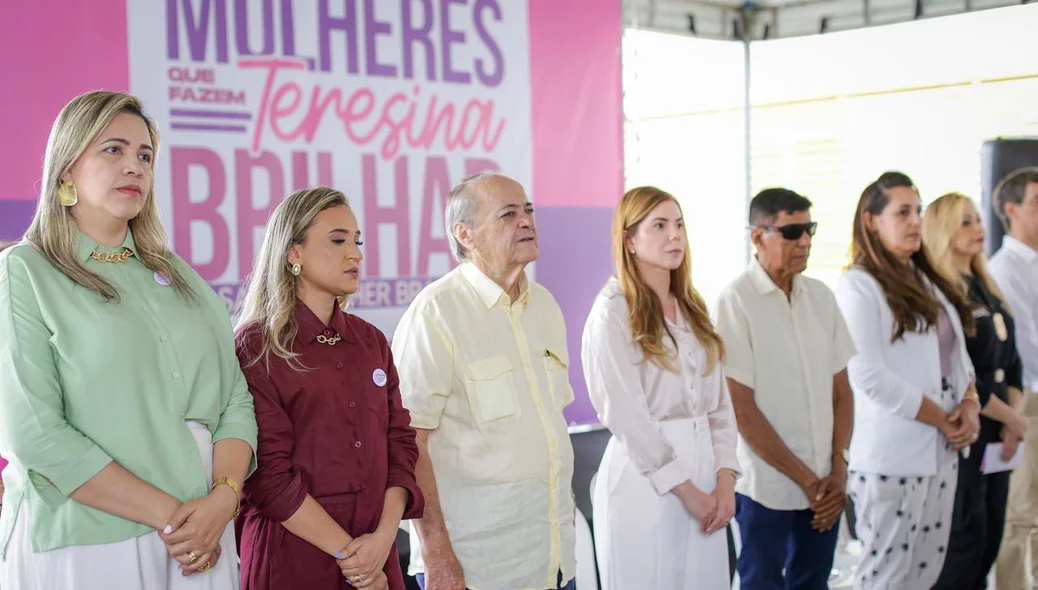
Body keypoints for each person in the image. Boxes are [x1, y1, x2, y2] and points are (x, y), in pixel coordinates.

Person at [0, 90, 257, 589]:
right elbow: (34, 434)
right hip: (96, 539)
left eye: (145, 155)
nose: (135, 167)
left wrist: (223, 499)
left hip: (201, 535)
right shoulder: (24, 273)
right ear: (67, 169)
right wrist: (172, 515)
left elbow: (235, 400)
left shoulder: (178, 276)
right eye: (113, 150)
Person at [392, 172, 576, 590]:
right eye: (508, 214)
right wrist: (436, 554)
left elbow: (552, 428)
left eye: (528, 210)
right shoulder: (436, 314)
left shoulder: (545, 306)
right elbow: (408, 443)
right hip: (474, 566)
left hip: (553, 559)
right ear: (466, 234)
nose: (526, 221)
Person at [233, 186, 423, 590]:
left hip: (376, 552)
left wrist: (382, 541)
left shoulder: (371, 340)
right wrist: (353, 556)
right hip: (294, 558)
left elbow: (401, 443)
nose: (355, 253)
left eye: (356, 241)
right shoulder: (257, 345)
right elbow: (267, 475)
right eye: (337, 241)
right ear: (293, 253)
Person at [581, 186, 739, 589]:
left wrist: (725, 480)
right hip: (645, 482)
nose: (675, 236)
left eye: (680, 225)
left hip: (707, 478)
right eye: (660, 225)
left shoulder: (693, 307)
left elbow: (720, 407)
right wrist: (686, 491)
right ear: (629, 240)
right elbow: (626, 416)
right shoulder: (612, 312)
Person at [835, 171, 980, 590]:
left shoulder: (925, 279)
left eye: (917, 211)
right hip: (891, 459)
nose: (915, 221)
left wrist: (969, 402)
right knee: (887, 578)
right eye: (902, 212)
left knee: (925, 575)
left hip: (940, 454)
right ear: (870, 220)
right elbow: (867, 373)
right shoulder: (858, 285)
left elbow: (958, 358)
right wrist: (942, 418)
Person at [715, 188, 855, 589]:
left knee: (814, 583)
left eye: (809, 229)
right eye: (792, 231)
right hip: (766, 489)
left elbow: (842, 391)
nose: (806, 241)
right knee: (762, 583)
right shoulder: (735, 302)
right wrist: (810, 482)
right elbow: (741, 409)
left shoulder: (821, 297)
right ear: (757, 236)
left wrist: (838, 468)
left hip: (826, 484)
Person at [922, 192, 1029, 589]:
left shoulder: (985, 284)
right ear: (943, 229)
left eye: (978, 220)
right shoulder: (944, 294)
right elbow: (962, 372)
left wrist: (1013, 420)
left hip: (1001, 433)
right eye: (965, 222)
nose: (978, 230)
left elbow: (1012, 359)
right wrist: (1010, 416)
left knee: (990, 539)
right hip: (969, 430)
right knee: (963, 545)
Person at [988, 167, 1038, 590]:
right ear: (1011, 210)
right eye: (1037, 203)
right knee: (1020, 516)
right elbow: (1025, 345)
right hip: (1027, 400)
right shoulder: (1004, 269)